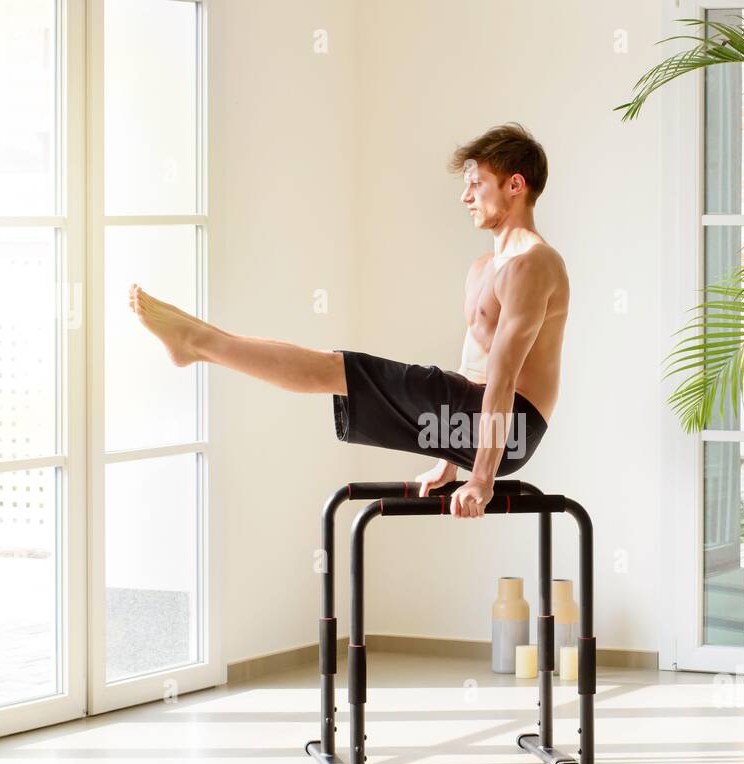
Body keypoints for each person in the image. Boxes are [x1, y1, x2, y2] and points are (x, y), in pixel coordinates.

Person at [130, 122, 569, 519]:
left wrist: (482, 478)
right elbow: (475, 368)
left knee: (337, 369)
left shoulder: (534, 265)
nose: (465, 196)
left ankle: (199, 344)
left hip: (512, 428)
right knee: (336, 371)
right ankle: (202, 343)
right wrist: (451, 461)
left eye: (476, 183)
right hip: (476, 425)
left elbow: (504, 376)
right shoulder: (482, 268)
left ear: (515, 185)